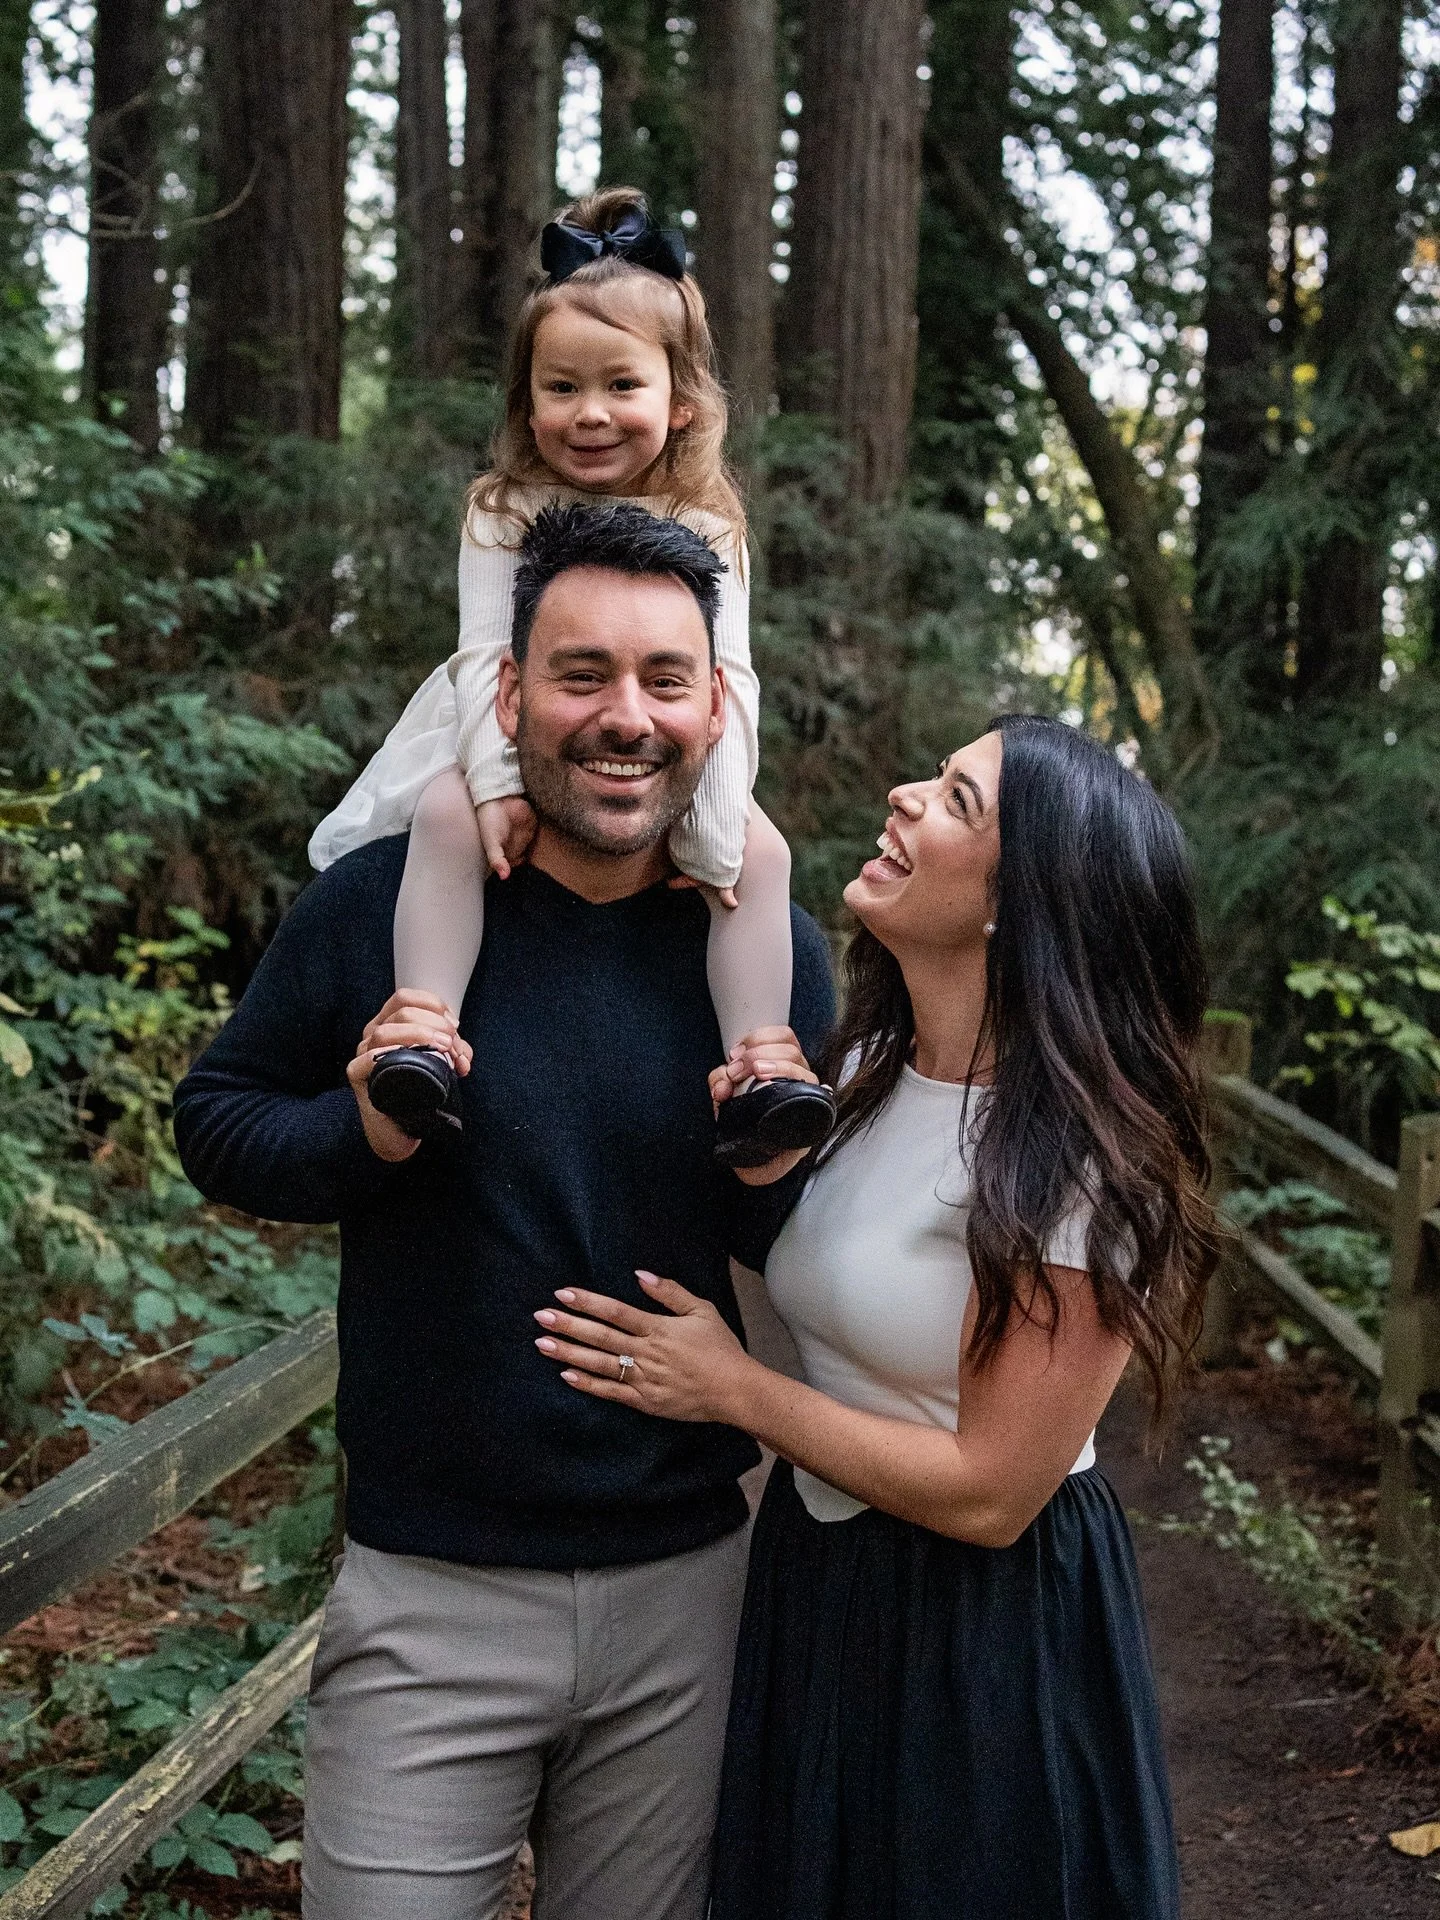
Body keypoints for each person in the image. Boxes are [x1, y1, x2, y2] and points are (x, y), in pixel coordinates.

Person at [172, 502, 836, 1920]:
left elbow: (804, 1253)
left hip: (690, 1599)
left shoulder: (768, 952)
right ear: (510, 693)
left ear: (717, 707)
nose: (626, 717)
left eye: (664, 679)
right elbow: (218, 1124)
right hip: (431, 1600)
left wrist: (772, 1183)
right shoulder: (378, 911)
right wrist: (364, 1129)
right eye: (581, 674)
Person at [535, 713, 1221, 1920]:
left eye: (957, 800)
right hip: (822, 1582)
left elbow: (994, 1493)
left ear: (1021, 904)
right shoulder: (854, 1076)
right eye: (936, 775)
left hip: (985, 1636)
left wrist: (733, 1391)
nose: (905, 795)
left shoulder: (1083, 1160)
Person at [307, 184, 835, 1168]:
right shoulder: (502, 509)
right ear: (527, 401)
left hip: (679, 748)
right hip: (502, 725)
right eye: (561, 388)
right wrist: (498, 786)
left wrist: (711, 824)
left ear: (680, 402)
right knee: (446, 817)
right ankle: (423, 1037)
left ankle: (760, 1071)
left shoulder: (710, 521)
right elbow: (484, 657)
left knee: (758, 859)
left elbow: (727, 678)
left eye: (621, 386)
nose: (590, 414)